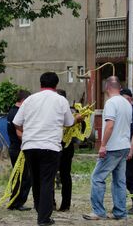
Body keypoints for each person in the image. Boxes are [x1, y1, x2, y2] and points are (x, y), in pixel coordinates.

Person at [12, 72, 82, 226]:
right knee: (46, 181)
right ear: (56, 86)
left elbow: (16, 122)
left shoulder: (29, 99)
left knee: (36, 180)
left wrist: (29, 130)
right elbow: (69, 122)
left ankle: (40, 209)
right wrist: (77, 118)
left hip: (30, 146)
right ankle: (43, 218)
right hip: (50, 146)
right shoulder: (61, 100)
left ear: (40, 84)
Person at [83, 77, 132, 221]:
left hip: (113, 147)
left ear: (107, 88)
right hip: (124, 146)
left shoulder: (111, 103)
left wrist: (103, 145)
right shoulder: (126, 103)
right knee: (119, 180)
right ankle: (120, 212)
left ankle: (98, 211)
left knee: (97, 177)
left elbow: (110, 125)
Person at [6, 89, 32, 211]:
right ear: (24, 101)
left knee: (18, 176)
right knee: (25, 178)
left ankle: (14, 202)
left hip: (13, 147)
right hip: (20, 149)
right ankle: (17, 202)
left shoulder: (11, 111)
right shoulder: (19, 113)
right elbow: (20, 134)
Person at [56, 89, 75, 212]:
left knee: (60, 175)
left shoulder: (60, 110)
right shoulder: (73, 111)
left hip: (60, 145)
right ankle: (65, 205)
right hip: (66, 146)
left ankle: (62, 204)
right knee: (65, 175)